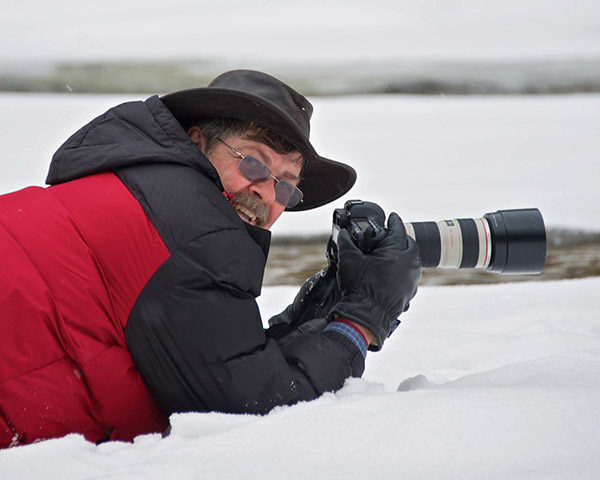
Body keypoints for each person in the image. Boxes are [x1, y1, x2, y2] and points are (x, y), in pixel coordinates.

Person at [0, 70, 421, 448]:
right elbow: (246, 411)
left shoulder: (142, 190)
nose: (265, 193)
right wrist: (359, 322)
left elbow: (210, 359)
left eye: (286, 186)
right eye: (253, 162)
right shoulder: (195, 224)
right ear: (196, 142)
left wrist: (313, 316)